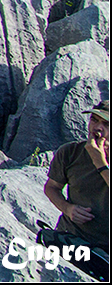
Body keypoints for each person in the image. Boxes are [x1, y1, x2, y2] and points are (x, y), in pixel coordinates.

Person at [44, 99, 109, 281]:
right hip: (72, 240)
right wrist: (67, 209)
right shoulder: (70, 152)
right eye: (94, 120)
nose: (98, 128)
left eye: (106, 124)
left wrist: (100, 163)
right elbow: (52, 188)